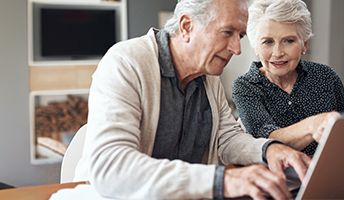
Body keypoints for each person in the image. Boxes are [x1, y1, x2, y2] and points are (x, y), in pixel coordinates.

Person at [73, 0, 311, 199]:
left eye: (240, 35)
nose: (237, 48)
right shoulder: (125, 63)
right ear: (187, 26)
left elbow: (226, 138)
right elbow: (111, 165)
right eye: (227, 32)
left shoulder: (208, 75)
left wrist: (269, 150)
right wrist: (222, 180)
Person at [232, 0, 344, 156]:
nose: (278, 52)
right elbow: (266, 140)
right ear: (255, 46)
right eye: (267, 42)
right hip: (278, 176)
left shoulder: (327, 77)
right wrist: (313, 125)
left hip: (331, 170)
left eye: (289, 41)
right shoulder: (246, 86)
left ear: (304, 45)